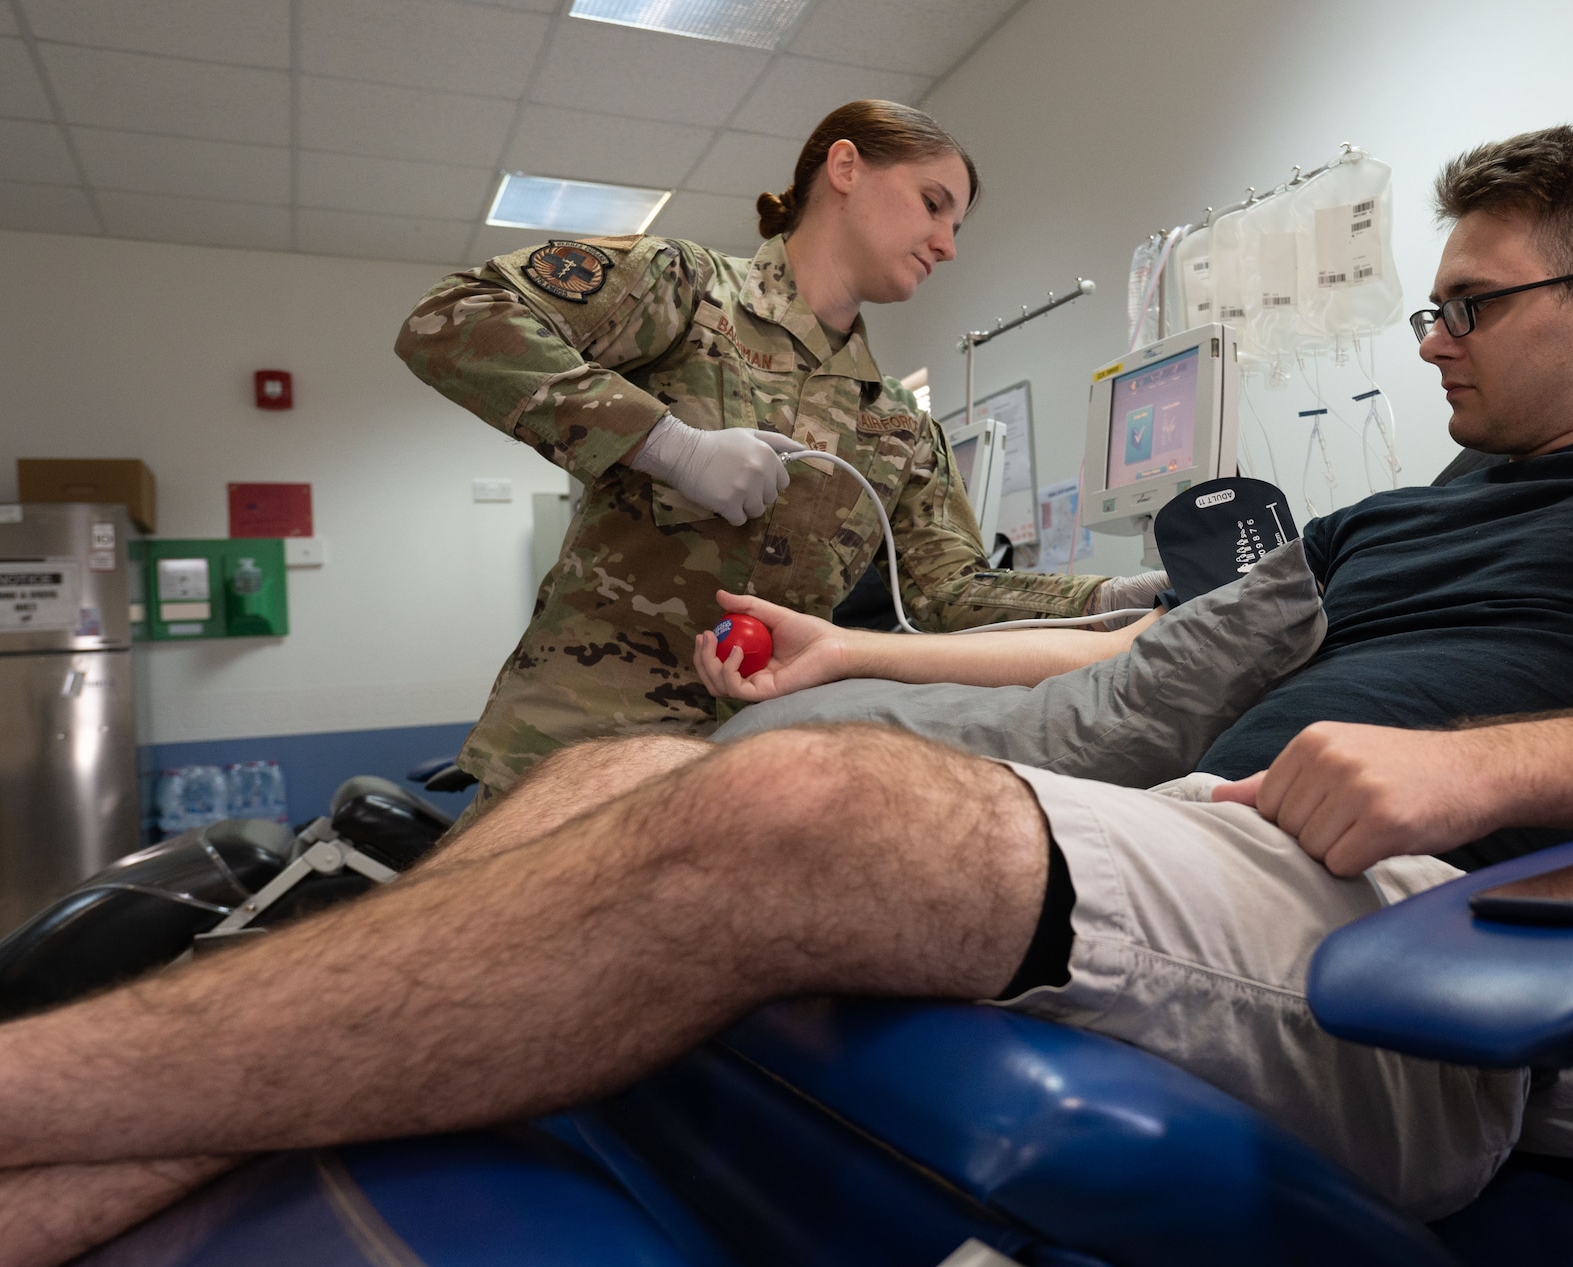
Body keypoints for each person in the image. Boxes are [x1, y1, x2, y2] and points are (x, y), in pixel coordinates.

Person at [0, 127, 1573, 1267]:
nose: (1426, 340)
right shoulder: (1387, 515)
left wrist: (1479, 763)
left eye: (1464, 305)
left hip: (1436, 939)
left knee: (790, 822)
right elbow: (1119, 677)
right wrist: (841, 668)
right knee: (645, 764)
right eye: (1421, 307)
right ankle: (26, 1190)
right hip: (1224, 838)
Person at [397, 99, 1163, 813]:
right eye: (934, 204)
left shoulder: (894, 422)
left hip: (744, 771)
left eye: (956, 224)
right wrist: (667, 443)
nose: (948, 245)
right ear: (846, 167)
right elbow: (451, 318)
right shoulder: (687, 293)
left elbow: (951, 592)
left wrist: (1117, 597)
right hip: (577, 749)